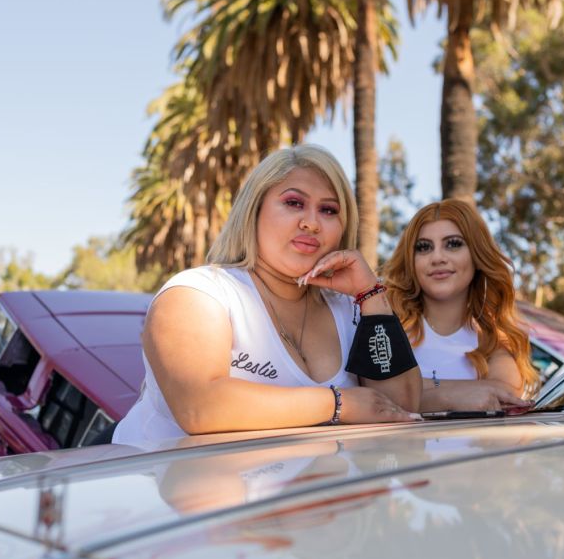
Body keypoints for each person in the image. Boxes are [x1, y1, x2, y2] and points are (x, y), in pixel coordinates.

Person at [113, 145, 422, 445]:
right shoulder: (199, 293)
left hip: (312, 493)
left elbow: (401, 405)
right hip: (162, 487)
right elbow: (200, 407)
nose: (311, 223)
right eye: (293, 203)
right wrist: (340, 403)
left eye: (328, 210)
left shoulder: (350, 310)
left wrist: (371, 294)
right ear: (254, 210)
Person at [384, 200, 537, 413]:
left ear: (476, 254)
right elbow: (379, 396)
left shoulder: (493, 340)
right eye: (423, 247)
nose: (437, 258)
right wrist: (450, 397)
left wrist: (416, 389)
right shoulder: (386, 329)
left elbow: (505, 394)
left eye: (453, 244)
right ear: (411, 260)